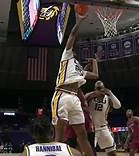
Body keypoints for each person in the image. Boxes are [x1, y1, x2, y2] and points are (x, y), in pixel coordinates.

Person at [51, 14, 97, 156]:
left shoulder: (79, 69)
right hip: (62, 95)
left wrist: (94, 62)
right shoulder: (66, 55)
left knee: (82, 136)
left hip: (75, 98)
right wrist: (80, 20)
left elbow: (95, 76)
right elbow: (72, 34)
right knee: (60, 136)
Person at [85, 80, 121, 156]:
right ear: (95, 89)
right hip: (91, 129)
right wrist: (92, 94)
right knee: (89, 153)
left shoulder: (108, 98)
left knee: (112, 153)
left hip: (103, 128)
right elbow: (82, 100)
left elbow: (118, 106)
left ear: (104, 88)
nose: (100, 90)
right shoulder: (90, 96)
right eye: (97, 88)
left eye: (101, 88)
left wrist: (110, 93)